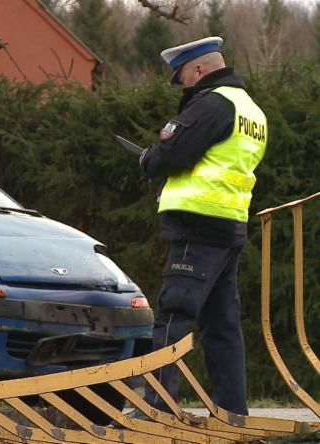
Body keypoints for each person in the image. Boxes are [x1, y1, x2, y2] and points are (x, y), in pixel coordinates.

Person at [138, 36, 267, 416]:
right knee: (222, 324)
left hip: (197, 227)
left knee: (172, 317)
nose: (183, 88)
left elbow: (172, 153)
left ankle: (156, 410)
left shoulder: (213, 103)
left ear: (199, 69)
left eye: (182, 79)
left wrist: (149, 159)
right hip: (229, 227)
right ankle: (233, 412)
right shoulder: (252, 112)